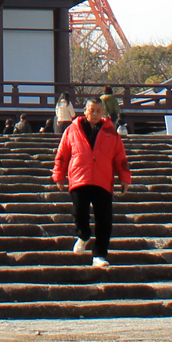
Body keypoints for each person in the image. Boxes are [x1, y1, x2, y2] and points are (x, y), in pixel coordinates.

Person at [52, 97, 133, 269]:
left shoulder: (111, 132)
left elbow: (120, 158)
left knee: (104, 220)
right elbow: (62, 154)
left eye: (98, 110)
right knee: (79, 212)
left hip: (103, 180)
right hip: (79, 177)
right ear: (85, 110)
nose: (95, 113)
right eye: (91, 110)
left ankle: (99, 255)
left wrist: (124, 178)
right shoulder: (72, 130)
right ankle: (83, 235)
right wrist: (59, 175)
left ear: (102, 112)